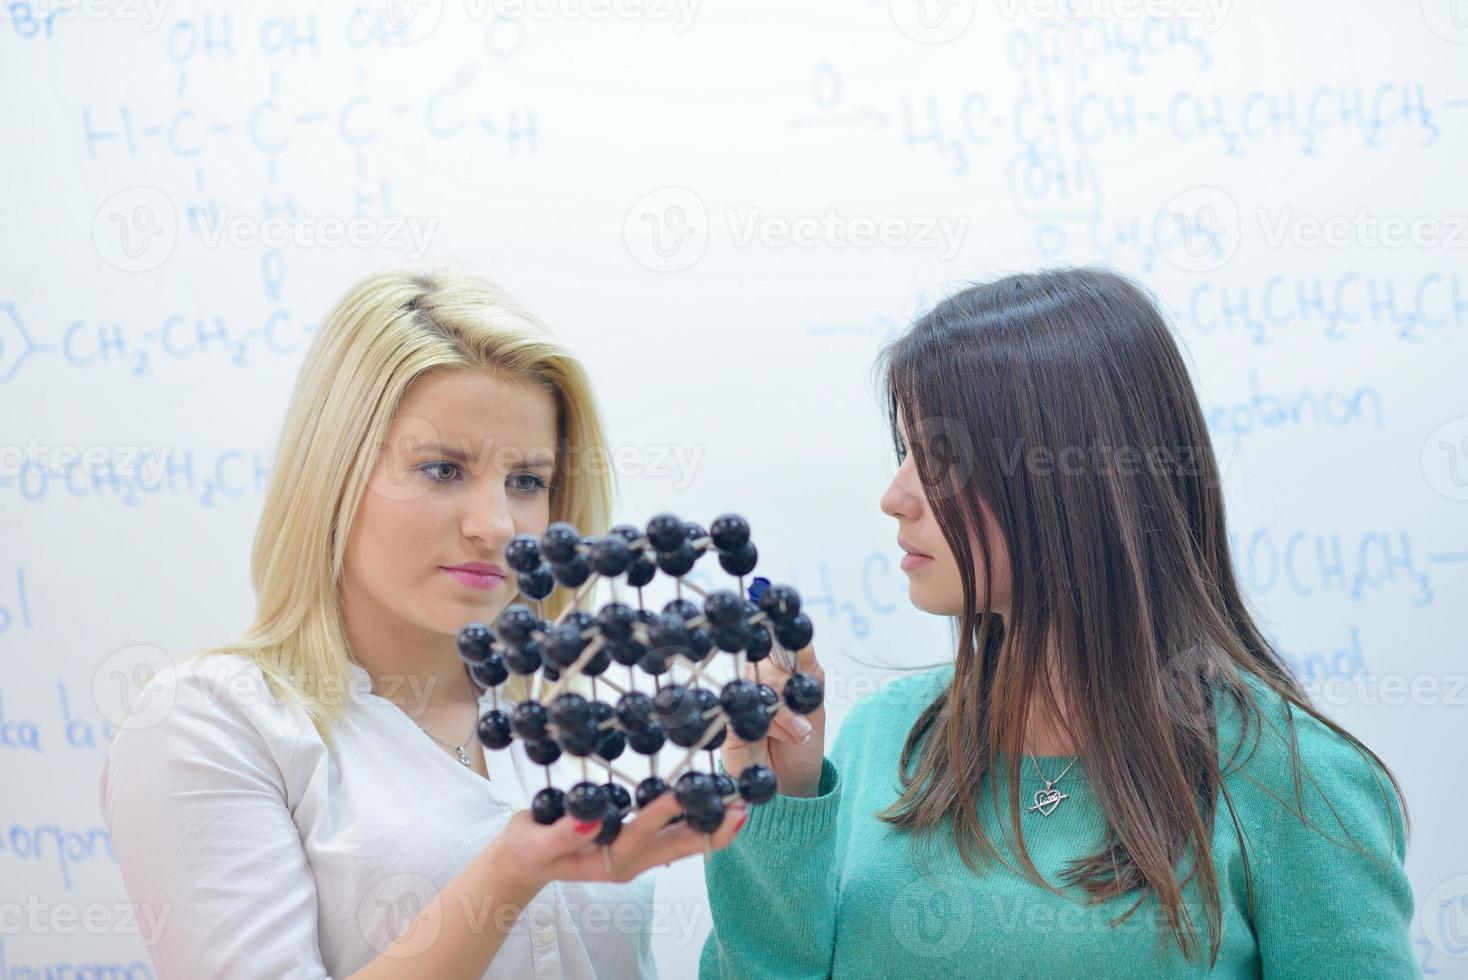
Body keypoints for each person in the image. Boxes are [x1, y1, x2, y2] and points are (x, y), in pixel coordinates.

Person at [704, 267, 1417, 978]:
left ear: (1077, 478)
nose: (895, 496)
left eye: (940, 458)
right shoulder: (879, 739)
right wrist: (781, 805)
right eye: (903, 453)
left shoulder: (1296, 782)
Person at [99, 270, 745, 980]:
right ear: (335, 474)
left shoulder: (578, 717)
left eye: (526, 481)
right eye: (442, 470)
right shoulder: (214, 722)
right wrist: (508, 872)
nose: (495, 526)